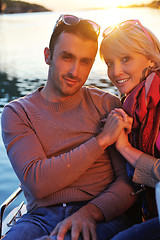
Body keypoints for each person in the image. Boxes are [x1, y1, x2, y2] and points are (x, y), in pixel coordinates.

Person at [1, 15, 137, 240]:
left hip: (100, 213)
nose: (75, 71)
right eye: (67, 57)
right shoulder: (17, 113)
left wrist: (90, 213)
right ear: (48, 56)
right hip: (40, 217)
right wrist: (102, 140)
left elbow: (127, 183)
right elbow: (37, 183)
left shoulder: (106, 104)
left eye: (85, 61)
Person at [100, 19, 160, 240]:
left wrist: (124, 148)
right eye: (109, 62)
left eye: (126, 59)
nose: (115, 72)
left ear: (151, 59)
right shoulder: (133, 105)